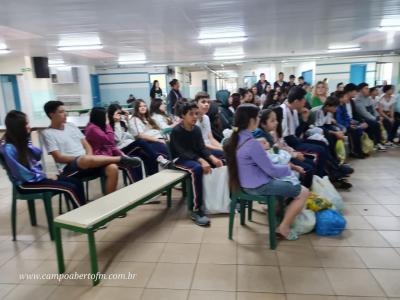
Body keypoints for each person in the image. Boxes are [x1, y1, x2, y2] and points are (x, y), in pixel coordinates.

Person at [223, 104, 309, 240]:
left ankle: (277, 213)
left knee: (286, 181)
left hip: (244, 183)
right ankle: (283, 227)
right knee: (304, 192)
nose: (259, 119)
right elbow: (271, 170)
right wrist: (289, 168)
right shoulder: (252, 143)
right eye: (257, 116)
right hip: (258, 187)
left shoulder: (236, 138)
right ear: (251, 121)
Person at [42, 101, 141, 195]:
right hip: (70, 167)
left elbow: (87, 145)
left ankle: (110, 203)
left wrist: (89, 157)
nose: (65, 114)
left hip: (89, 161)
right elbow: (58, 158)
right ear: (52, 114)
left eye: (65, 111)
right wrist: (82, 159)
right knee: (85, 159)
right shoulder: (48, 133)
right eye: (61, 112)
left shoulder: (71, 126)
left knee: (113, 168)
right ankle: (121, 159)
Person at [0, 110, 86, 208]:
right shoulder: (8, 148)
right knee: (70, 188)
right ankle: (82, 217)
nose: (29, 126)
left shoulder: (20, 142)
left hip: (36, 178)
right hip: (26, 183)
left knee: (75, 182)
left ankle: (81, 211)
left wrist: (27, 140)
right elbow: (22, 174)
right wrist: (44, 176)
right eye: (26, 124)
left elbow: (37, 155)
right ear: (18, 127)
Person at [280, 87, 353, 189]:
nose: (305, 102)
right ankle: (322, 178)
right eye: (303, 100)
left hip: (296, 139)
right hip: (290, 143)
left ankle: (333, 172)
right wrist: (305, 120)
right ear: (296, 101)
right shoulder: (284, 111)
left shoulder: (294, 111)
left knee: (322, 144)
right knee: (320, 150)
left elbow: (298, 132)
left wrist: (304, 120)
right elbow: (289, 137)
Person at [170, 101, 223, 226]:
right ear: (183, 115)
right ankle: (196, 209)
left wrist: (212, 157)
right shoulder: (177, 131)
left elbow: (201, 148)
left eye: (196, 114)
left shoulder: (196, 130)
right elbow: (182, 152)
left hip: (193, 157)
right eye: (191, 114)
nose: (195, 117)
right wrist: (200, 160)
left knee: (221, 161)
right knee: (197, 169)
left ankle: (222, 199)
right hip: (179, 159)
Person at [254, 109, 315, 188]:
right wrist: (293, 161)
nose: (277, 122)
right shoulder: (261, 136)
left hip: (281, 158)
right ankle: (299, 193)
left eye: (276, 120)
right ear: (263, 124)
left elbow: (276, 151)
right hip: (275, 164)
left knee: (310, 163)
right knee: (308, 169)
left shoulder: (268, 133)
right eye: (272, 121)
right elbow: (271, 156)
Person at [107, 104, 170, 176]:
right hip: (122, 149)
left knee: (146, 154)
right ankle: (159, 159)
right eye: (118, 113)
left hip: (131, 146)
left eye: (120, 113)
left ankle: (151, 176)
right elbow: (118, 139)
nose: (120, 115)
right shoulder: (110, 126)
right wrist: (116, 122)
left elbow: (131, 135)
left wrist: (127, 120)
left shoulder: (122, 123)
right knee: (141, 141)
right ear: (112, 114)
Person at [85, 107, 143, 183]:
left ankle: (140, 183)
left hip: (109, 153)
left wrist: (122, 155)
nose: (107, 118)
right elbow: (110, 141)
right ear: (100, 117)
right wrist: (108, 125)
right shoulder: (93, 128)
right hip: (100, 158)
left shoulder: (100, 126)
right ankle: (137, 185)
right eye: (105, 116)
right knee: (130, 163)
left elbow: (112, 146)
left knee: (134, 159)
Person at [354, 83, 387, 151]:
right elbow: (365, 113)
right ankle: (377, 143)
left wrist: (378, 117)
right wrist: (376, 120)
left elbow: (374, 110)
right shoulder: (358, 100)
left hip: (371, 118)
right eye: (366, 88)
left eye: (368, 88)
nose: (368, 90)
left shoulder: (369, 98)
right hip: (362, 119)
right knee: (375, 123)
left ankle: (382, 141)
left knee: (384, 121)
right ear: (360, 90)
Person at [335, 91, 367, 158]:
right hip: (341, 127)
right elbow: (339, 121)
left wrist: (351, 123)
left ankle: (358, 151)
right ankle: (355, 152)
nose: (347, 98)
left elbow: (347, 117)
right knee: (355, 131)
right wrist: (348, 125)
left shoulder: (343, 105)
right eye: (345, 97)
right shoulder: (337, 107)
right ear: (340, 98)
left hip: (347, 125)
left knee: (359, 128)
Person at [195, 92, 224, 158]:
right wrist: (220, 149)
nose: (206, 104)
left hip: (210, 147)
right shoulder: (193, 119)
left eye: (208, 102)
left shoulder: (206, 117)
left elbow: (211, 138)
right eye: (203, 102)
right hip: (201, 149)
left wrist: (221, 147)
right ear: (196, 104)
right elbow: (200, 144)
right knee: (225, 155)